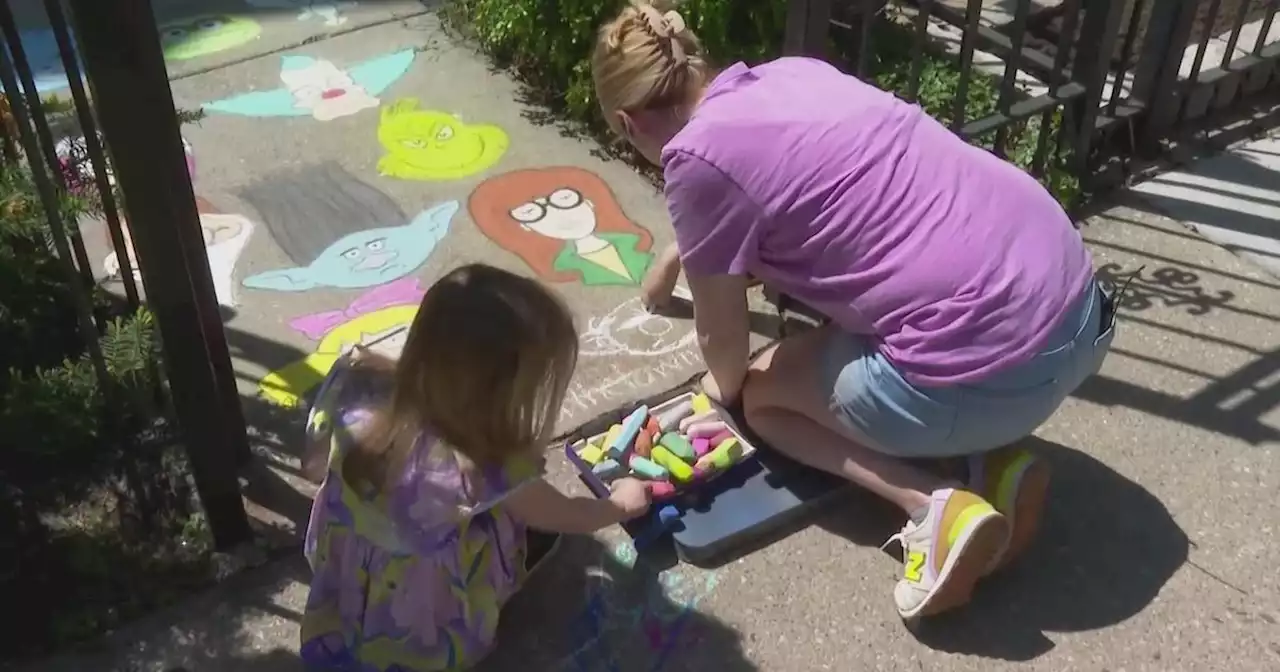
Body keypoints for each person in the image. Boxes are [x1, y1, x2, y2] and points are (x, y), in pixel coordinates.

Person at [592, 1, 1116, 620]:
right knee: (855, 334)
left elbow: (723, 343)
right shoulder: (792, 74)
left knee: (764, 395)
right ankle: (990, 461)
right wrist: (687, 249)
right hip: (1079, 310)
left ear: (628, 124)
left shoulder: (695, 164)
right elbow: (798, 190)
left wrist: (710, 405)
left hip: (994, 368)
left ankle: (934, 508)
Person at [298, 263, 653, 670]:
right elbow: (569, 515)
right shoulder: (486, 468)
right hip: (416, 622)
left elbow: (311, 466)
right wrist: (621, 505)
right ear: (502, 397)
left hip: (344, 586)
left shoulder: (353, 383)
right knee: (511, 522)